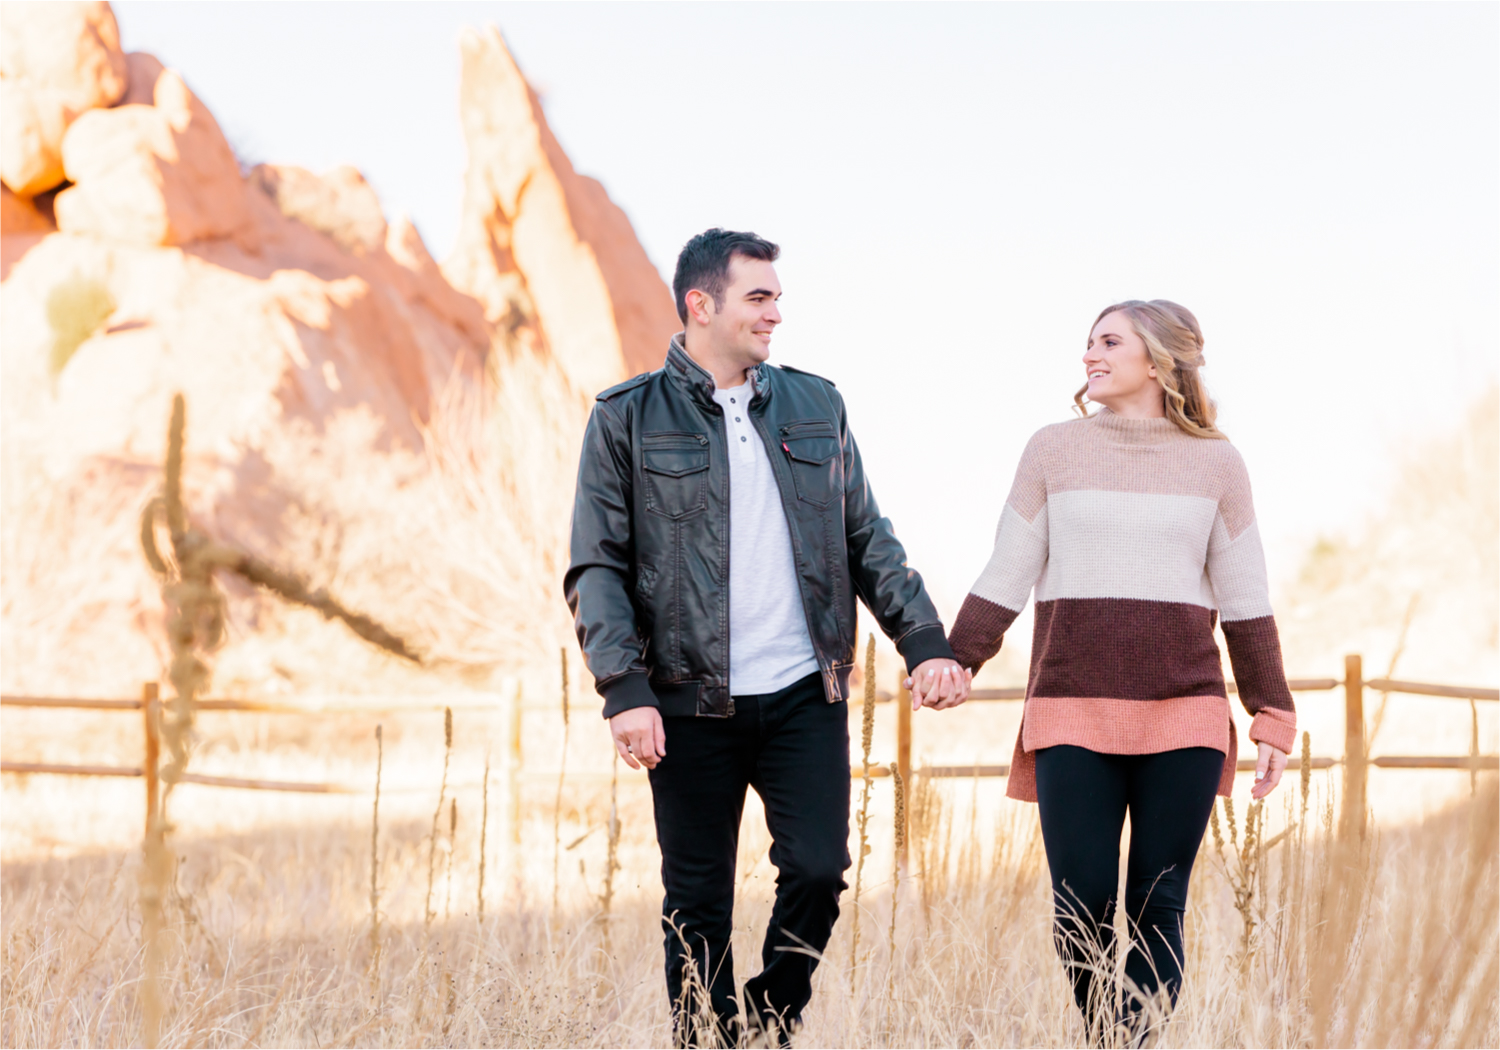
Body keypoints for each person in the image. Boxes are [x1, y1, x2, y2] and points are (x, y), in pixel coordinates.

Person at [563, 228, 969, 1046]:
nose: (776, 313)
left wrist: (922, 638)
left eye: (777, 297)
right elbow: (595, 568)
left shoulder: (816, 405)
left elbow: (866, 537)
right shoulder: (625, 418)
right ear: (701, 305)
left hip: (800, 694)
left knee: (820, 871)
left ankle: (765, 1017)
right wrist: (623, 690)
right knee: (699, 903)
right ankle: (702, 1040)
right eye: (759, 297)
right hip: (686, 702)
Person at [943, 300, 1295, 1044]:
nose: (1089, 356)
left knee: (1157, 905)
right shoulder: (1053, 450)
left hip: (1185, 711)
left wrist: (1272, 712)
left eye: (1108, 342)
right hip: (1073, 704)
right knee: (1081, 904)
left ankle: (1133, 1042)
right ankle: (1108, 1034)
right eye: (1089, 342)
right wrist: (957, 656)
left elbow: (1245, 597)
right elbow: (1009, 567)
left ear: (1160, 360)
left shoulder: (1217, 463)